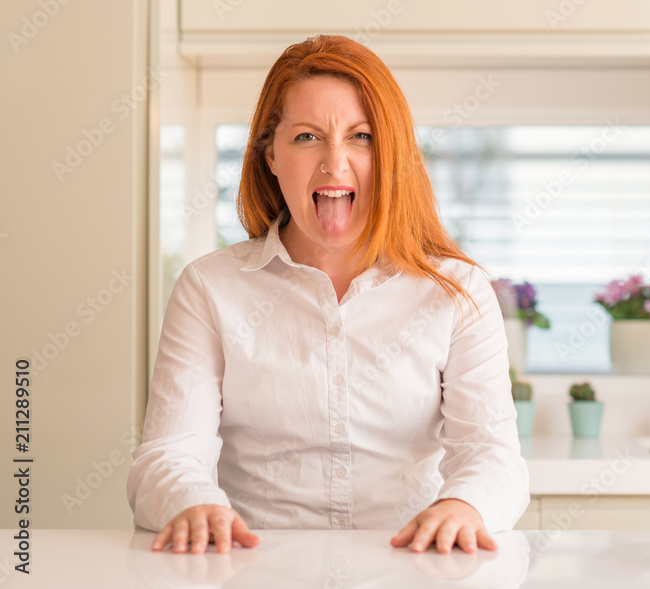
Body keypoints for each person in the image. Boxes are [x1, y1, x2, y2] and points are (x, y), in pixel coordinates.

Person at [126, 34, 530, 555]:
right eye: (307, 137)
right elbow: (168, 453)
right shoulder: (209, 288)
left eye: (361, 137)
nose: (334, 164)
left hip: (410, 569)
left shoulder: (457, 293)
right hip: (255, 569)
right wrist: (190, 502)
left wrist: (464, 506)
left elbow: (492, 456)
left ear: (391, 155)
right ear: (270, 154)